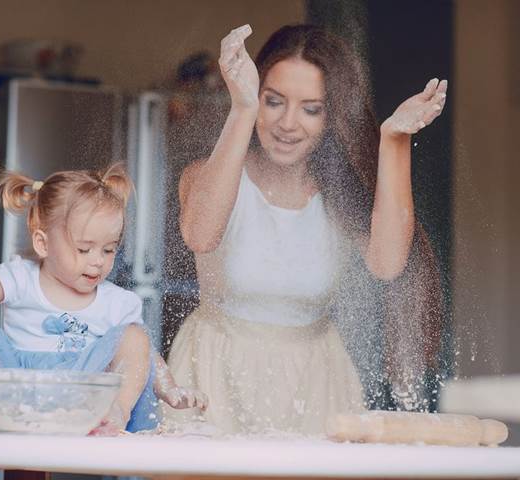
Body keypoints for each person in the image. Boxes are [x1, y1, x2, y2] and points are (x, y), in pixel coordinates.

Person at [163, 24, 447, 435]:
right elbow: (201, 235)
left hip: (316, 382)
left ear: (332, 117)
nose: (287, 123)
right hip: (213, 373)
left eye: (311, 109)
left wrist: (394, 139)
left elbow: (387, 263)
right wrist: (241, 108)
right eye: (273, 102)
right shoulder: (207, 176)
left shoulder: (339, 197)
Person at [0, 163, 206, 435]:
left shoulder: (117, 302)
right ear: (43, 243)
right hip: (20, 391)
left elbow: (144, 356)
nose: (98, 261)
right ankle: (2, 415)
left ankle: (117, 412)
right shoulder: (20, 277)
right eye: (84, 248)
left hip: (83, 398)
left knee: (136, 336)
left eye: (109, 249)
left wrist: (170, 388)